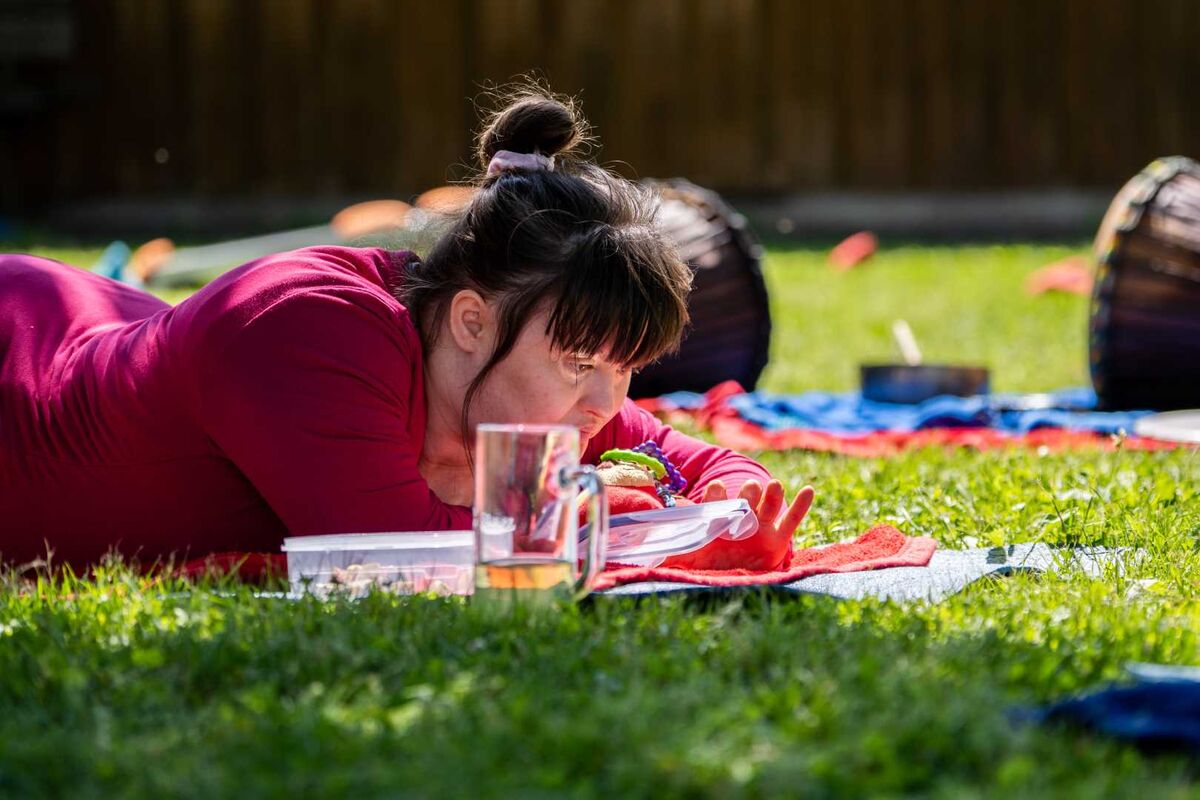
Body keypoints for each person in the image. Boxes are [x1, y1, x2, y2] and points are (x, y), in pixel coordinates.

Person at [0, 87, 813, 573]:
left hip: (105, 327)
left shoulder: (540, 381)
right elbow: (393, 553)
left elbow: (689, 457)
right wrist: (633, 530)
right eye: (578, 363)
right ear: (470, 319)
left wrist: (733, 498)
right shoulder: (308, 332)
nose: (606, 403)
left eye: (625, 367)